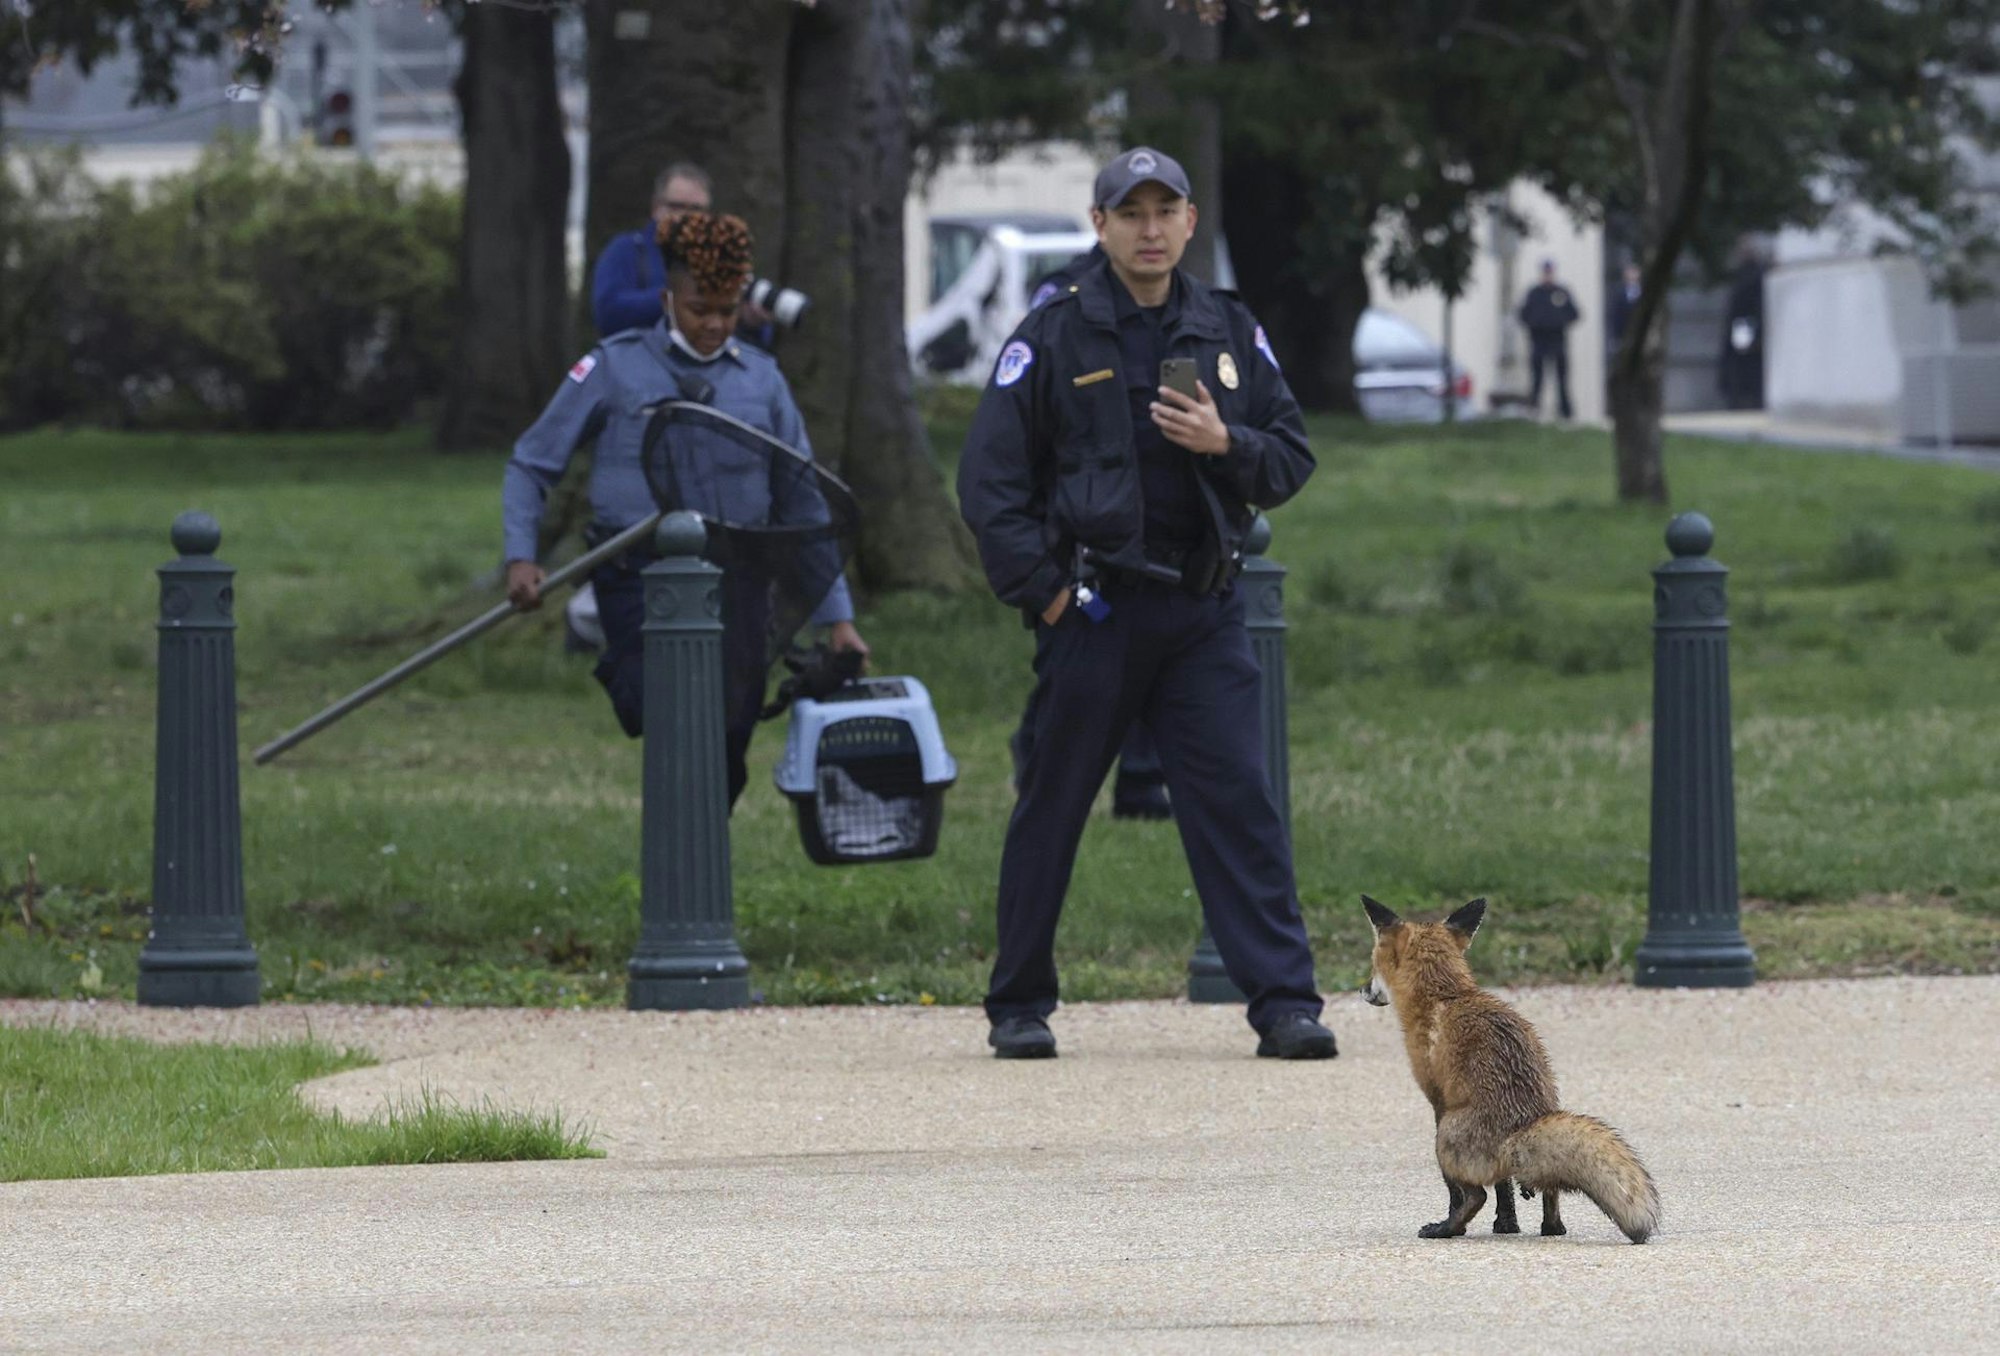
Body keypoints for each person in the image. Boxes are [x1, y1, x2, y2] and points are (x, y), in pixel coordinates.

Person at [958, 146, 1336, 1062]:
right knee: (1052, 803)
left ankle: (1286, 1003)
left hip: (1203, 612)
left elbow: (1289, 457)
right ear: (1100, 225)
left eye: (1167, 210)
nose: (1151, 229)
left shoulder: (1227, 328)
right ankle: (1019, 1004)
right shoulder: (1051, 334)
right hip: (1094, 611)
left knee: (1238, 804)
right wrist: (1045, 597)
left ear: (1191, 222)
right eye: (1131, 213)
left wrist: (1224, 440)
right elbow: (989, 483)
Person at [505, 211, 867, 807]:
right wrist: (521, 556)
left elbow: (805, 500)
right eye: (701, 309)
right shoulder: (614, 365)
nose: (715, 325)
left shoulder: (763, 380)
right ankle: (622, 671)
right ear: (668, 297)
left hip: (739, 580)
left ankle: (699, 887)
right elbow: (531, 462)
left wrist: (839, 619)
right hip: (639, 576)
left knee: (726, 736)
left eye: (728, 311)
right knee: (673, 711)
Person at [1014, 241, 1170, 820]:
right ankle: (1035, 752)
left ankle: (1140, 782)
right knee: (1078, 662)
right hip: (1078, 521)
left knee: (1146, 660)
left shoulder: (1171, 300)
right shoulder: (1063, 296)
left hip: (1146, 512)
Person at [589, 163, 773, 342]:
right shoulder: (628, 250)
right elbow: (609, 314)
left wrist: (751, 322)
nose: (687, 217)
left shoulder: (720, 258)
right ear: (656, 208)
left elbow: (754, 342)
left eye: (696, 209)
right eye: (677, 207)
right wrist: (678, 299)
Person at [1518, 259, 1580, 420]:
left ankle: (1565, 412)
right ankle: (1534, 409)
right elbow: (1523, 314)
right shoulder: (1534, 293)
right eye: (1545, 272)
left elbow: (1574, 314)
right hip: (1539, 340)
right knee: (1537, 378)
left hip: (1557, 340)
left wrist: (1560, 321)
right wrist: (1535, 323)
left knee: (1562, 379)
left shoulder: (1561, 292)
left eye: (1550, 272)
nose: (1548, 276)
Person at [1607, 260, 1642, 347]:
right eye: (1630, 272)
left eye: (1634, 271)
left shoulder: (1644, 291)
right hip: (1623, 333)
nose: (1632, 274)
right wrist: (1615, 336)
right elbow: (1615, 315)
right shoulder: (1618, 292)